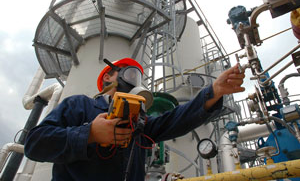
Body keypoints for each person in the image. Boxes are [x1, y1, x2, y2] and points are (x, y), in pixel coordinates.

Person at [24, 58, 245, 181]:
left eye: (138, 78)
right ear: (107, 77)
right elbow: (35, 144)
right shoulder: (79, 106)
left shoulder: (139, 122)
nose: (134, 81)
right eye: (129, 74)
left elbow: (176, 119)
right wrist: (89, 133)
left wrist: (213, 92)